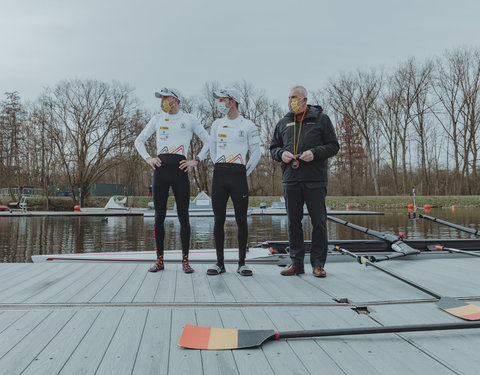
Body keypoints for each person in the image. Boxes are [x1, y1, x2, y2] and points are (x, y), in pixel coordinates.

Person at [134, 88, 209, 273]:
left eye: (165, 98)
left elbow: (209, 141)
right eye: (160, 99)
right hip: (160, 170)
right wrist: (148, 158)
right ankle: (159, 260)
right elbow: (139, 141)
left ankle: (185, 260)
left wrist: (196, 160)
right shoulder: (157, 119)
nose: (162, 102)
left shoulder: (189, 119)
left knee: (184, 217)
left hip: (180, 170)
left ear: (176, 100)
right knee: (159, 217)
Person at [270, 85, 339, 277]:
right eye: (289, 97)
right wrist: (280, 154)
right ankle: (296, 263)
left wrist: (315, 153)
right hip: (291, 179)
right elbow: (273, 147)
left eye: (294, 97)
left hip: (315, 179)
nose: (291, 100)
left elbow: (334, 146)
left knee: (319, 222)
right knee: (293, 222)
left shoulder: (321, 119)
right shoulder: (283, 122)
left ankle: (318, 264)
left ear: (304, 100)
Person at [207, 88, 261, 276]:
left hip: (239, 174)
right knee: (218, 219)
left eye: (222, 100)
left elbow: (256, 152)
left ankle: (242, 263)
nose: (220, 103)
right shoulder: (216, 124)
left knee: (241, 220)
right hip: (220, 173)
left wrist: (244, 170)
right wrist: (220, 165)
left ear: (233, 101)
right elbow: (212, 149)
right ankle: (219, 263)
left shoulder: (248, 125)